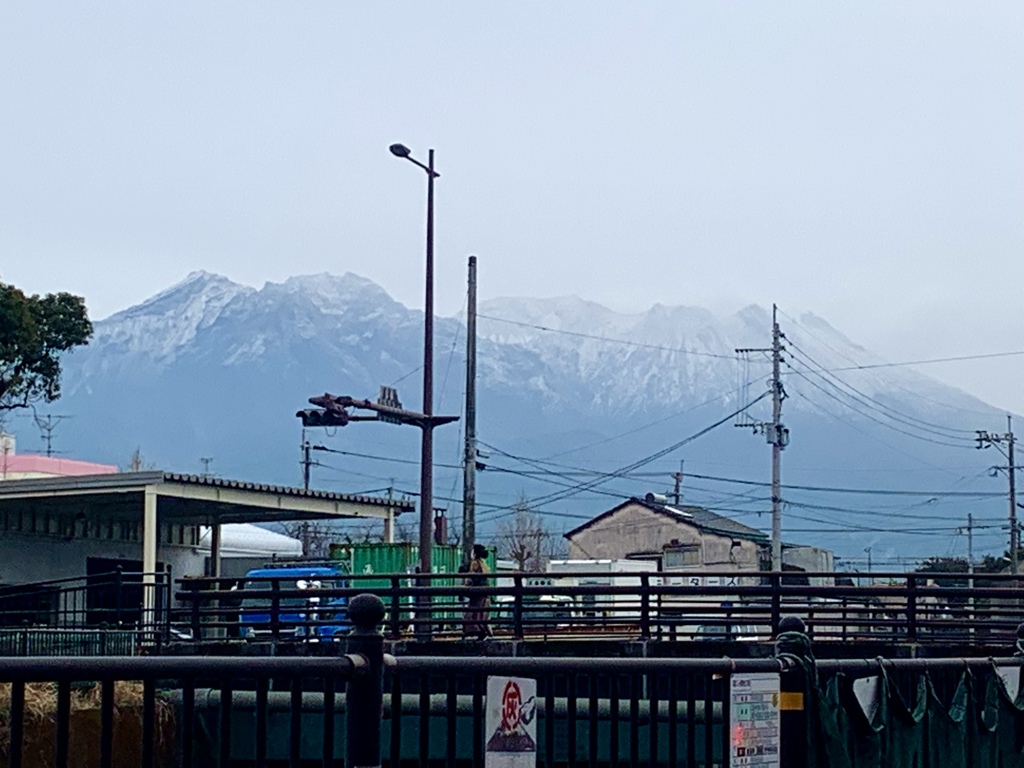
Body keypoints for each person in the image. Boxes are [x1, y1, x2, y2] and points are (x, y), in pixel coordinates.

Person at [464, 544, 492, 640]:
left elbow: (471, 578)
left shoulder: (475, 563)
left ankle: (478, 632)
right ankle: (485, 631)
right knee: (482, 614)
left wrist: (467, 586)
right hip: (485, 592)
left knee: (474, 613)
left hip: (477, 592)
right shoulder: (484, 564)